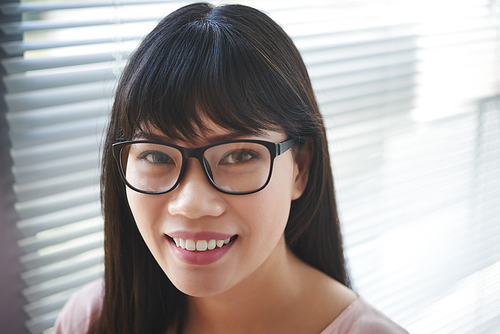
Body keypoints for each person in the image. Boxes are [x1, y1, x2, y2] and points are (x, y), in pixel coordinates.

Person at [55, 3, 409, 334]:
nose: (192, 204)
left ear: (299, 167)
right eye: (158, 156)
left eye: (239, 156)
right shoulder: (91, 318)